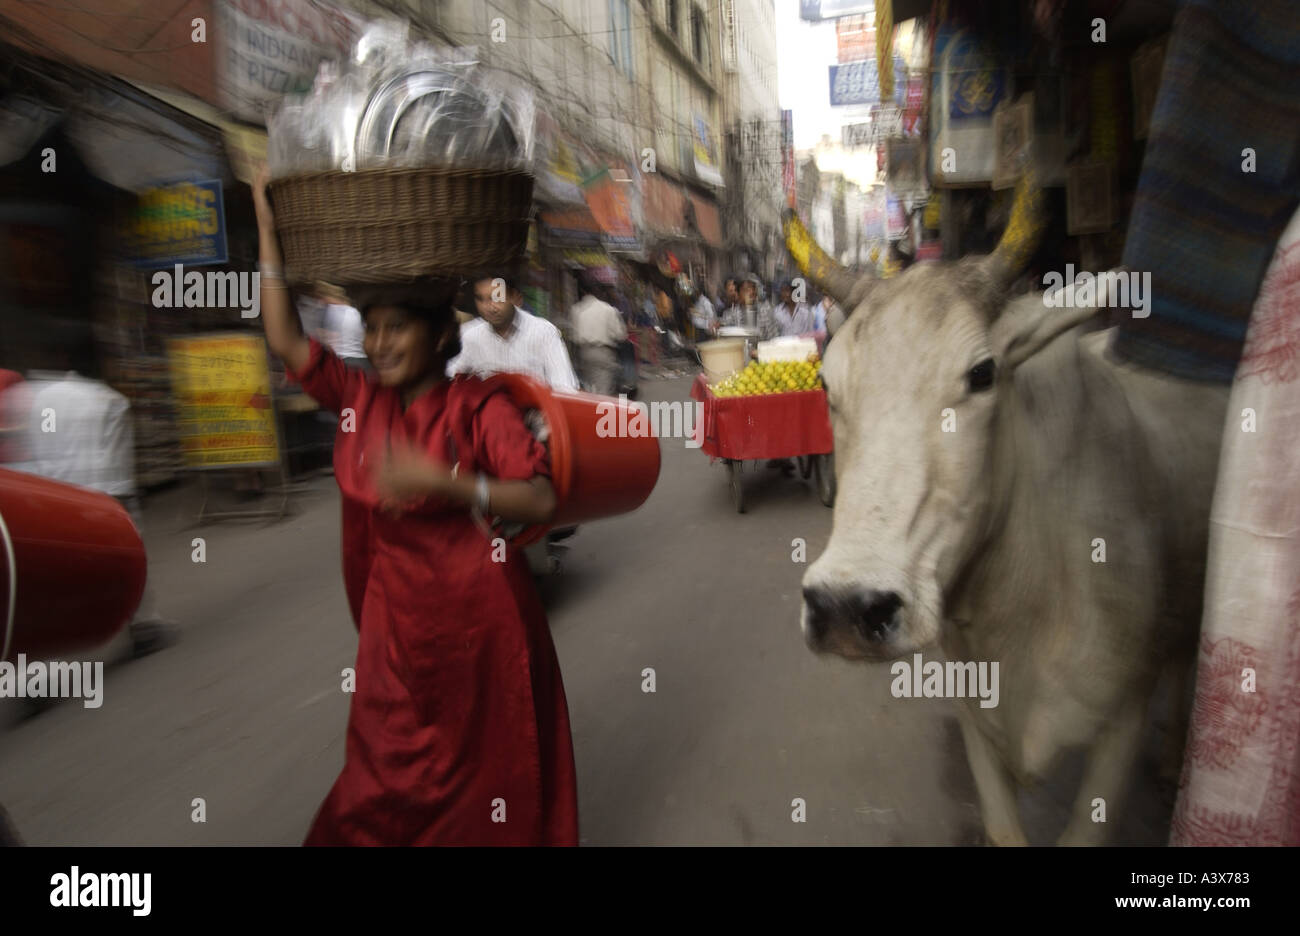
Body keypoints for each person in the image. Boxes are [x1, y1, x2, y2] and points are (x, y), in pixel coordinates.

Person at [252, 168, 578, 846]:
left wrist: (456, 483)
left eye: (395, 327)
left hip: (480, 627)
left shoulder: (477, 404)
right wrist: (265, 224)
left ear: (436, 337)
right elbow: (284, 339)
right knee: (380, 779)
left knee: (485, 782)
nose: (377, 344)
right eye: (370, 329)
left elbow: (542, 495)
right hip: (392, 629)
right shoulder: (356, 398)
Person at [7, 364, 176, 658]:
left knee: (48, 581)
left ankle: (34, 666)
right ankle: (143, 627)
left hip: (55, 500)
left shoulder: (24, 400)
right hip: (103, 496)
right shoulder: (105, 397)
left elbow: (24, 460)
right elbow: (116, 457)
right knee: (129, 562)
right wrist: (124, 500)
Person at [448, 274, 579, 391]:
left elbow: (564, 387)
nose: (488, 307)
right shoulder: (470, 336)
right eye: (481, 299)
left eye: (497, 297)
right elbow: (451, 375)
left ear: (515, 298)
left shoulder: (544, 332)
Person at [570, 277, 627, 395]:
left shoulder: (576, 310)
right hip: (603, 352)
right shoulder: (608, 309)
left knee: (589, 387)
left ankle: (591, 409)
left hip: (583, 352)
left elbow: (574, 336)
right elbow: (620, 335)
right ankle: (600, 412)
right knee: (603, 388)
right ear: (598, 293)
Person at [720, 276, 780, 341]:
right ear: (738, 294)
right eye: (746, 290)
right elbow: (725, 335)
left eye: (753, 289)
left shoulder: (765, 311)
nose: (751, 292)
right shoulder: (730, 314)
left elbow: (774, 337)